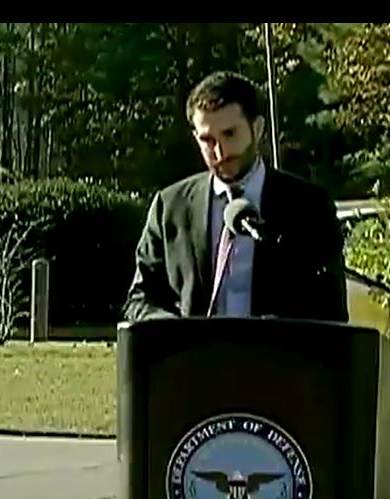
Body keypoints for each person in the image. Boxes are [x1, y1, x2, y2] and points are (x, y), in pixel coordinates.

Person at [122, 71, 349, 323]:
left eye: (230, 134)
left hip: (276, 357)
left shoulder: (308, 207)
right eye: (207, 140)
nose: (219, 152)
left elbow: (331, 311)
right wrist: (174, 329)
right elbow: (139, 301)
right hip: (193, 358)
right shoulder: (170, 207)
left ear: (258, 128)